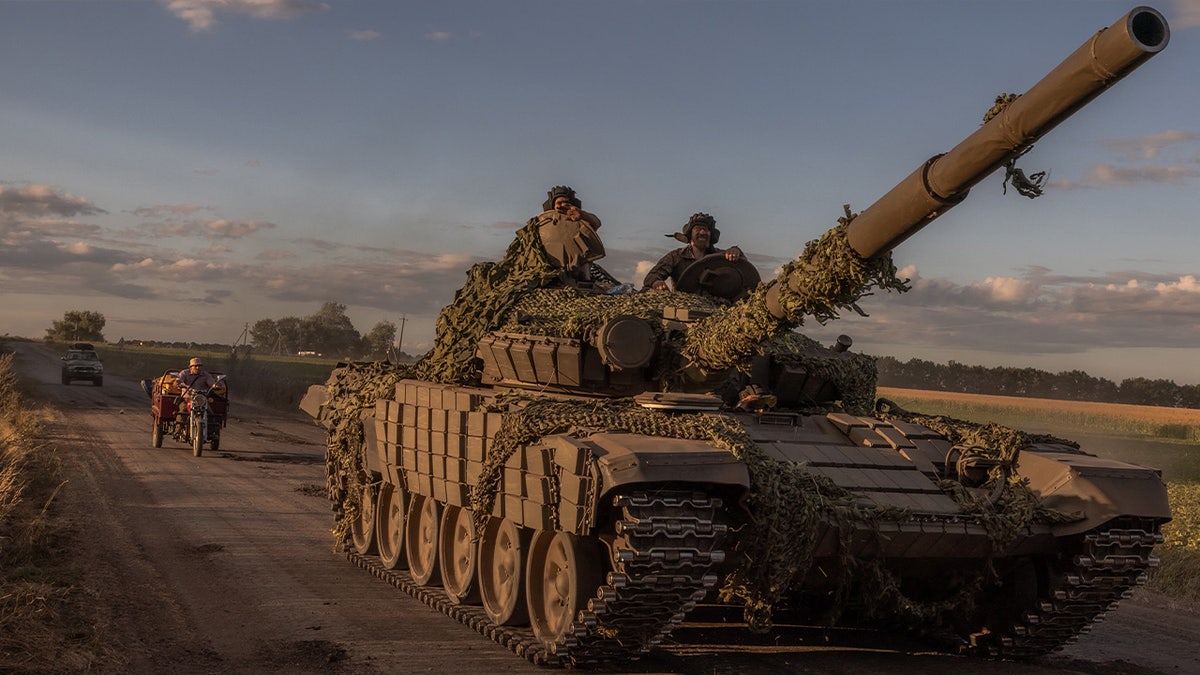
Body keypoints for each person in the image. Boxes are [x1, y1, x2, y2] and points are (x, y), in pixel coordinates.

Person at [642, 212, 745, 290]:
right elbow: (652, 276)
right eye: (698, 229)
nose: (702, 232)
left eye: (706, 229)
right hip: (683, 307)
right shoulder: (676, 256)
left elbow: (744, 270)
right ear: (690, 234)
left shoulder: (719, 257)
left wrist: (736, 250)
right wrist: (656, 282)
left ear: (711, 235)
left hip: (715, 307)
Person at [535, 185, 605, 281]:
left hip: (579, 274)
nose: (563, 205)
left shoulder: (579, 222)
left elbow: (596, 222)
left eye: (566, 203)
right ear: (553, 205)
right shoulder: (544, 224)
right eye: (559, 203)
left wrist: (582, 214)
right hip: (551, 273)